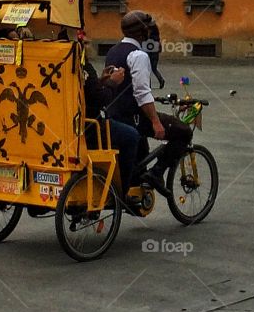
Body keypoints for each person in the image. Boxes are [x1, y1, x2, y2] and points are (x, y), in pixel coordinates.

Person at [103, 11, 192, 190]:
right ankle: (157, 173)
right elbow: (142, 93)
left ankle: (136, 185)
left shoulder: (113, 51)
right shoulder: (139, 55)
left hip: (114, 115)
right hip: (134, 118)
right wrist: (155, 121)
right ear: (143, 32)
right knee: (183, 131)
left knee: (140, 157)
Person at [81, 54, 140, 192]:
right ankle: (122, 190)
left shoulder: (61, 61)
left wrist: (100, 81)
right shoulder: (81, 63)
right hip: (89, 127)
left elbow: (88, 91)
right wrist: (113, 83)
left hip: (67, 127)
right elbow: (100, 98)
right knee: (131, 136)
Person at [145, 18, 166, 89]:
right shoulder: (155, 34)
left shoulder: (150, 34)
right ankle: (161, 80)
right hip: (154, 52)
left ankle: (149, 85)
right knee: (153, 68)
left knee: (149, 68)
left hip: (151, 52)